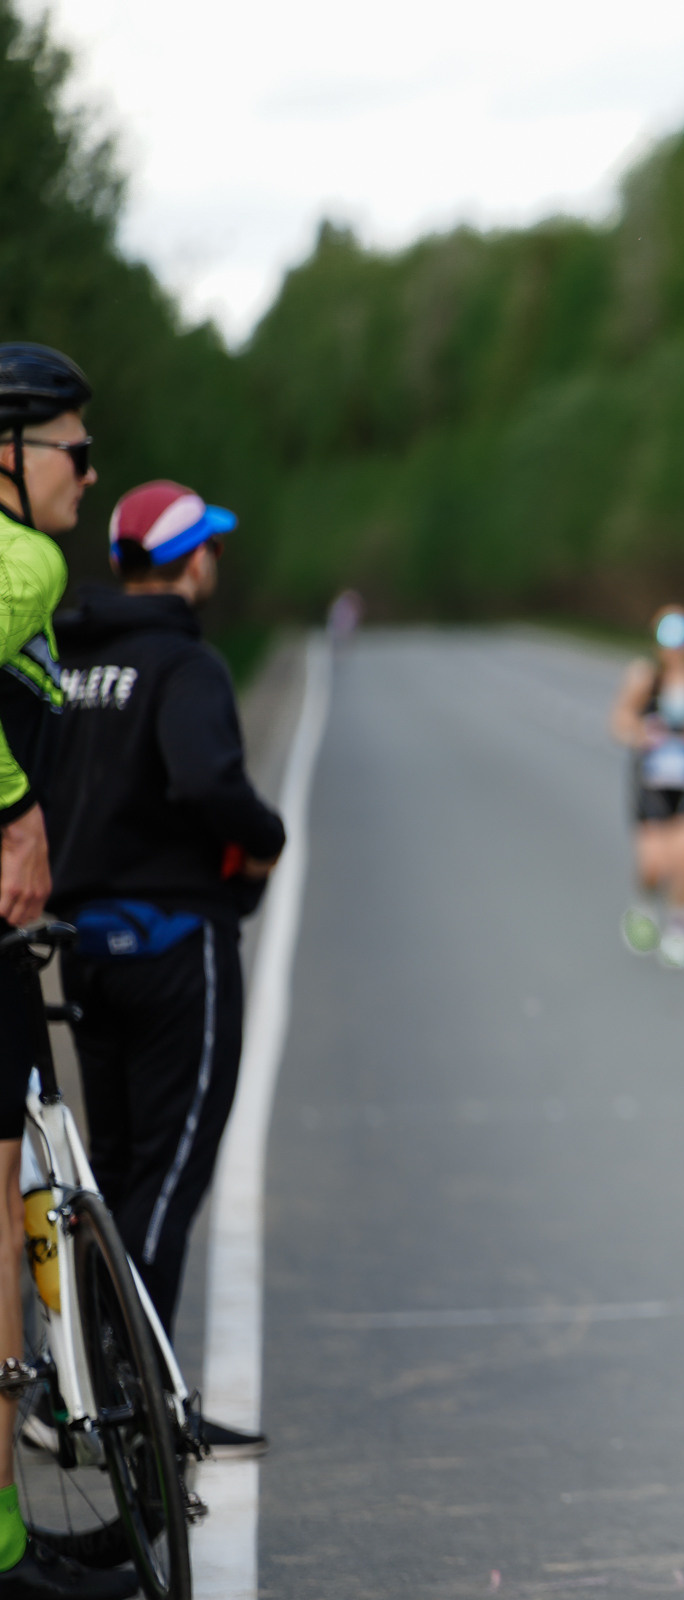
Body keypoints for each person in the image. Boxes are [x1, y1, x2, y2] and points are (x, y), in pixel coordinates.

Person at [46, 479, 286, 1464]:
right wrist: (264, 836)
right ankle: (116, 1398)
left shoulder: (65, 659)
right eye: (211, 550)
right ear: (189, 562)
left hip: (84, 951)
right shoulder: (185, 664)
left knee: (116, 1175)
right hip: (178, 946)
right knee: (168, 1180)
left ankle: (122, 1396)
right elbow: (204, 780)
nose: (215, 565)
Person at [0, 343, 145, 1598]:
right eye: (74, 450)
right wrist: (14, 812)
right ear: (9, 453)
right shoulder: (23, 557)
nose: (90, 476)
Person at [609, 607, 684, 970]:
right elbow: (620, 720)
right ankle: (645, 904)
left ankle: (680, 928)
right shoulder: (644, 678)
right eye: (668, 641)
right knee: (653, 864)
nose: (675, 650)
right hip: (652, 782)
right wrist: (641, 733)